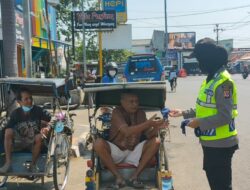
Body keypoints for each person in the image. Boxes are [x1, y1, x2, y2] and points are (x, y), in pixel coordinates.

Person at [170, 38, 239, 190]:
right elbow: (205, 109)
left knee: (221, 185)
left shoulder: (223, 83)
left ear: (208, 59)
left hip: (221, 143)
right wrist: (184, 113)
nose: (198, 63)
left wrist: (199, 123)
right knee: (215, 181)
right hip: (211, 141)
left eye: (200, 60)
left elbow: (225, 116)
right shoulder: (210, 79)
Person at [93, 92, 167, 188]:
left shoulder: (141, 113)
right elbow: (126, 132)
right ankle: (118, 177)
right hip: (117, 151)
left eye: (136, 101)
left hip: (134, 151)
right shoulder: (116, 112)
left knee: (156, 141)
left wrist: (157, 127)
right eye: (131, 102)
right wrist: (149, 123)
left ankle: (134, 177)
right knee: (98, 143)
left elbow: (149, 135)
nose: (135, 104)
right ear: (122, 102)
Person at [0, 88, 51, 173]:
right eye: (26, 99)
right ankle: (8, 163)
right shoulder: (15, 113)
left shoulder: (39, 110)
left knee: (39, 137)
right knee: (8, 131)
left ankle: (33, 165)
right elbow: (7, 127)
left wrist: (47, 128)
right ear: (19, 102)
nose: (29, 101)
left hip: (34, 143)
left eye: (30, 98)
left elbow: (52, 120)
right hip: (20, 142)